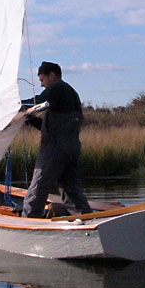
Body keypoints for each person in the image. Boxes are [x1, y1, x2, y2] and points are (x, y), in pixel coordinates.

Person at [21, 61, 92, 218]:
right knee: (72, 190)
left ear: (52, 75)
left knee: (38, 187)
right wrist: (30, 120)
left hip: (54, 149)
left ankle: (29, 220)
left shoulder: (56, 88)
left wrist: (18, 106)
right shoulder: (71, 93)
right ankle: (85, 218)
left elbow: (37, 101)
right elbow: (52, 127)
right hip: (71, 149)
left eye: (42, 80)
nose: (42, 85)